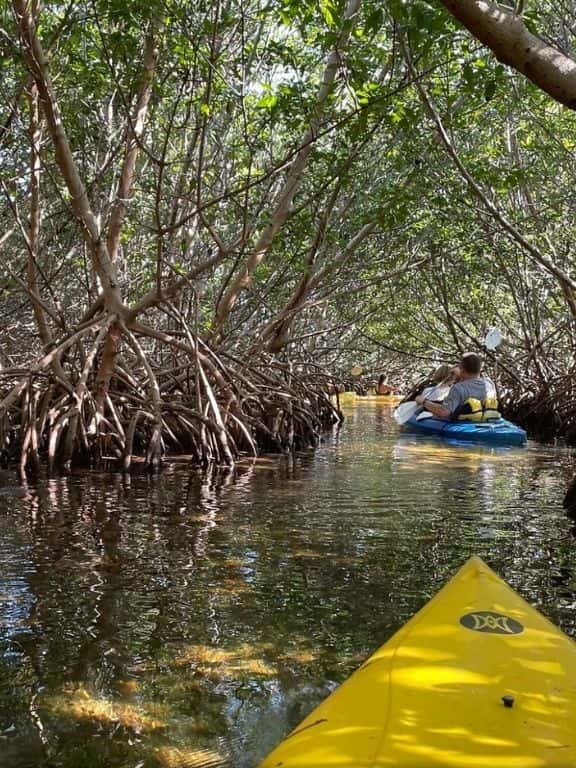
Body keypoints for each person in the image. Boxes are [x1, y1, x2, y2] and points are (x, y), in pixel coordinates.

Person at [415, 352, 500, 421]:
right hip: (486, 420)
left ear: (462, 370)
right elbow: (472, 385)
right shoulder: (489, 383)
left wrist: (424, 401)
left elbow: (443, 412)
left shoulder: (458, 388)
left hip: (464, 424)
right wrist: (460, 375)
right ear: (479, 369)